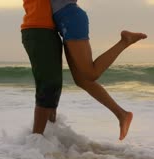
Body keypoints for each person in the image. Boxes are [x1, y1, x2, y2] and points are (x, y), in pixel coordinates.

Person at [51, 0, 147, 140]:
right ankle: (122, 114)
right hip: (64, 20)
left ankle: (125, 41)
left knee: (91, 73)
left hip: (70, 18)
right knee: (82, 80)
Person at [21, 0, 63, 134]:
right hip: (38, 29)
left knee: (54, 85)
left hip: (49, 30)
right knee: (48, 85)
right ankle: (37, 139)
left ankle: (50, 135)